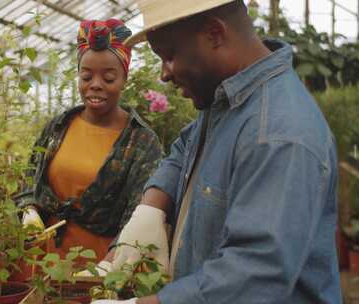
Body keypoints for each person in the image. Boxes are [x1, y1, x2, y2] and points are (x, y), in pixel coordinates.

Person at [93, 1, 342, 303]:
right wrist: (152, 206)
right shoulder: (229, 100)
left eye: (170, 56)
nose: (164, 74)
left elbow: (255, 277)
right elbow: (186, 147)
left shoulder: (278, 135)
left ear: (214, 34)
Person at [15, 19, 163, 269]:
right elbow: (31, 176)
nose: (95, 84)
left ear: (124, 79)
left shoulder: (141, 142)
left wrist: (110, 266)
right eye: (86, 76)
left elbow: (138, 215)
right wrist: (28, 208)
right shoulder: (58, 127)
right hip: (41, 262)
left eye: (108, 77)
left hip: (99, 268)